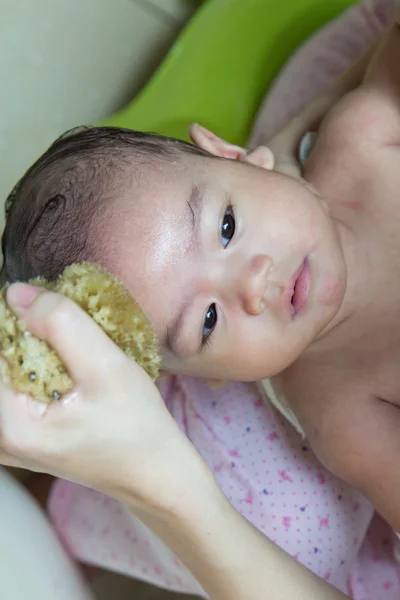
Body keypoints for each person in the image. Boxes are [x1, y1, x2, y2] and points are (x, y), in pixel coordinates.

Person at [1, 0, 400, 598]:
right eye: (208, 322)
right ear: (218, 377)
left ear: (239, 155)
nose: (251, 282)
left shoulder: (365, 136)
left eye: (228, 228)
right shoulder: (342, 418)